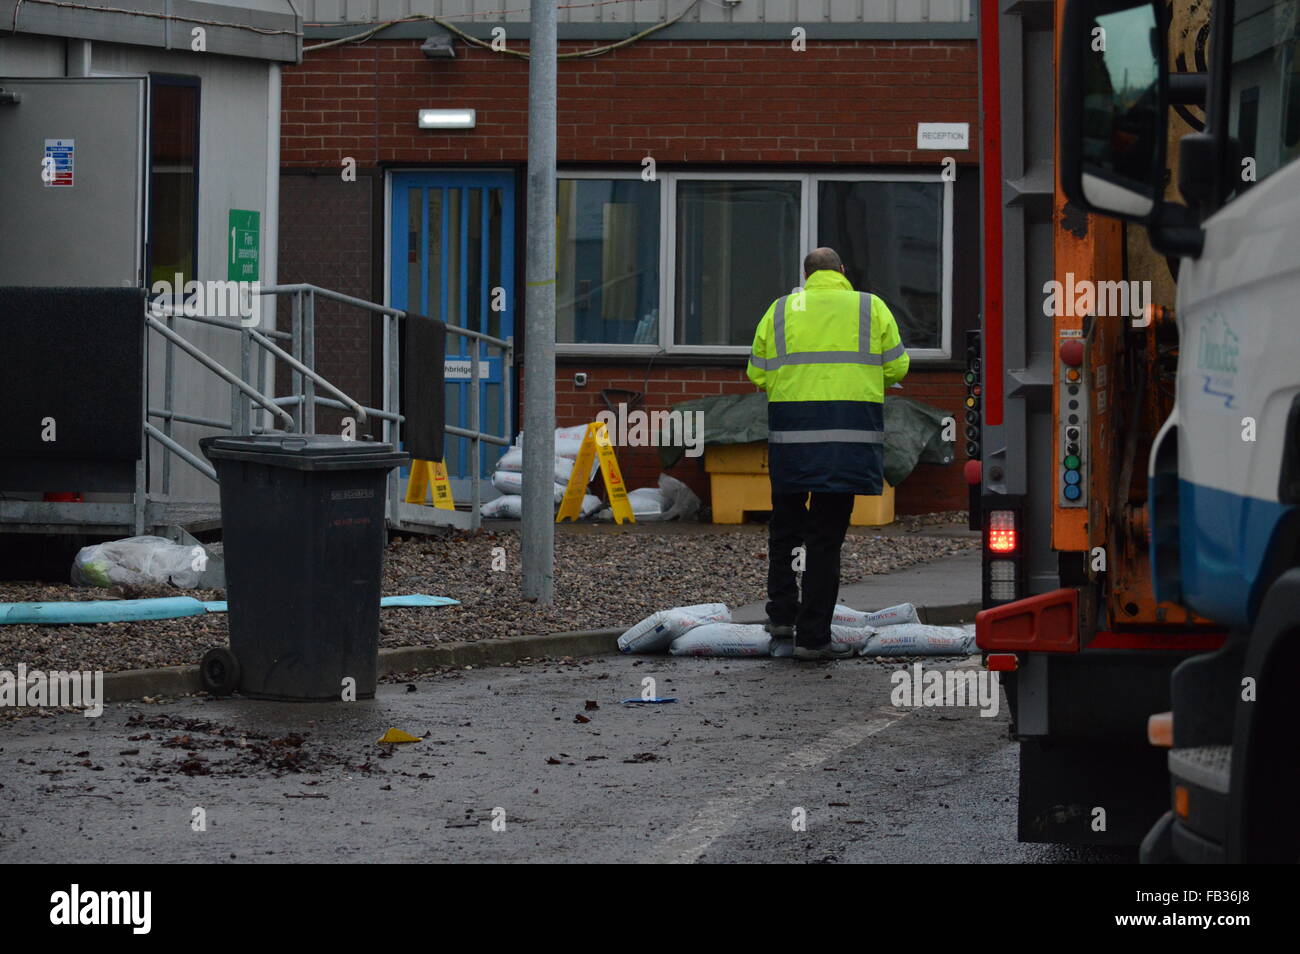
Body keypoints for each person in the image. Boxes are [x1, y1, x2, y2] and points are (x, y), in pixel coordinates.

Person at [747, 247, 910, 660]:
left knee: (785, 530)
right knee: (825, 539)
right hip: (847, 442)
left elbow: (756, 373)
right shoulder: (869, 307)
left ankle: (781, 617)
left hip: (792, 441)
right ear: (841, 270)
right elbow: (897, 368)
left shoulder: (781, 309)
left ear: (806, 275)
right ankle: (814, 637)